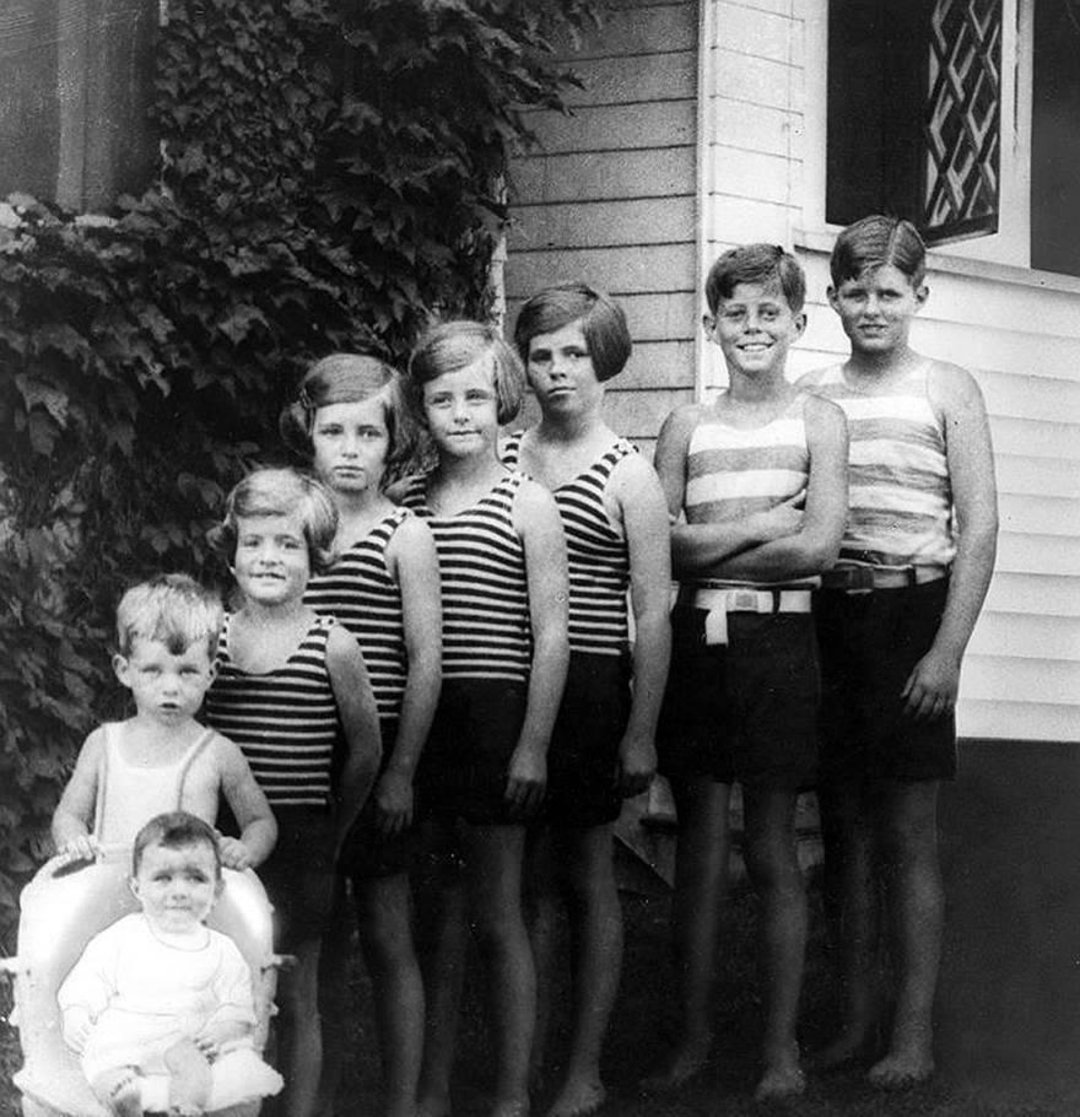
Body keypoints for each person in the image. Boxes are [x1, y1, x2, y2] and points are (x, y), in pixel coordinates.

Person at [798, 215, 998, 1087]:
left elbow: (979, 527)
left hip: (914, 616)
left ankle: (911, 1035)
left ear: (920, 294)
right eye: (856, 293)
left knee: (908, 833)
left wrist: (946, 651)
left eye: (888, 292)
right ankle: (853, 1020)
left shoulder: (947, 387)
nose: (872, 308)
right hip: (828, 618)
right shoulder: (814, 394)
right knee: (841, 831)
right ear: (832, 298)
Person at [649, 244, 849, 1100]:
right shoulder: (686, 426)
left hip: (781, 642)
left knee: (771, 846)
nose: (753, 327)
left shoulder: (818, 422)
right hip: (698, 642)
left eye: (771, 312)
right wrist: (764, 523)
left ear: (798, 322)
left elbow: (819, 548)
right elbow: (660, 547)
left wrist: (713, 545)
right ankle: (692, 1038)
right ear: (712, 324)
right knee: (698, 849)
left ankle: (779, 1049)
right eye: (736, 313)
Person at [396, 320, 569, 1117]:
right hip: (426, 715)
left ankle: (511, 1089)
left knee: (499, 910)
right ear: (421, 409)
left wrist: (533, 742)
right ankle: (432, 1085)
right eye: (442, 399)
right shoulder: (408, 502)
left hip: (499, 716)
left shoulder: (526, 500)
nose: (461, 413)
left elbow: (552, 633)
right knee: (437, 912)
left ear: (502, 398)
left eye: (474, 396)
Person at [505, 283, 671, 1117]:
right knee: (528, 877)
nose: (558, 370)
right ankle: (527, 1056)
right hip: (514, 682)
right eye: (541, 355)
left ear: (604, 359)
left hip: (593, 688)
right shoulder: (506, 456)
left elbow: (654, 612)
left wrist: (641, 730)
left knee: (586, 870)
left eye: (574, 353)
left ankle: (585, 1066)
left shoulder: (627, 472)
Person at [281, 353, 442, 1117]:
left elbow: (425, 658)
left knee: (386, 930)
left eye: (368, 433)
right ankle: (321, 1094)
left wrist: (402, 770)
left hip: (380, 760)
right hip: (306, 759)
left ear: (393, 439)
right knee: (316, 935)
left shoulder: (404, 534)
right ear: (307, 433)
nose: (350, 449)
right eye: (333, 431)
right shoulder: (292, 529)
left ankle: (402, 1101)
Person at [204, 467, 384, 1117]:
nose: (269, 557)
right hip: (226, 844)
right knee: (224, 987)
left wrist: (335, 829)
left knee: (297, 993)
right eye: (253, 542)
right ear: (232, 554)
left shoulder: (334, 644)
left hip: (305, 840)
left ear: (317, 557)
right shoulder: (213, 639)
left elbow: (366, 749)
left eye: (287, 544)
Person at [58, 811, 283, 1117]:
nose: (179, 892)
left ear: (216, 891)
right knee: (105, 1065)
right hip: (126, 1038)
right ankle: (124, 1097)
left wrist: (220, 1031)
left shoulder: (222, 950)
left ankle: (184, 1106)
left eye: (196, 878)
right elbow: (88, 980)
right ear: (137, 887)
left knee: (195, 1067)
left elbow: (238, 1006)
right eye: (163, 878)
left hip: (186, 1043)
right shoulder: (122, 936)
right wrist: (77, 1011)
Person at [51, 574, 277, 870]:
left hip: (183, 889)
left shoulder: (218, 753)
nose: (171, 687)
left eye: (187, 671)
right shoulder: (102, 744)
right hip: (109, 886)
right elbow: (69, 815)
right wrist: (74, 841)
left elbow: (260, 821)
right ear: (124, 670)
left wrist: (246, 849)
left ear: (210, 673)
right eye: (153, 671)